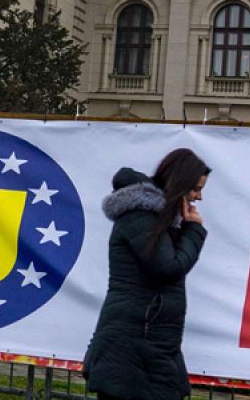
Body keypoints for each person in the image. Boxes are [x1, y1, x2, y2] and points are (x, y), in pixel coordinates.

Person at [83, 148, 211, 400]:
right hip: (132, 347)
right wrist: (193, 231)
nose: (198, 197)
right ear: (179, 183)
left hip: (149, 345)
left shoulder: (160, 220)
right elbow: (168, 268)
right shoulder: (140, 216)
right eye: (195, 189)